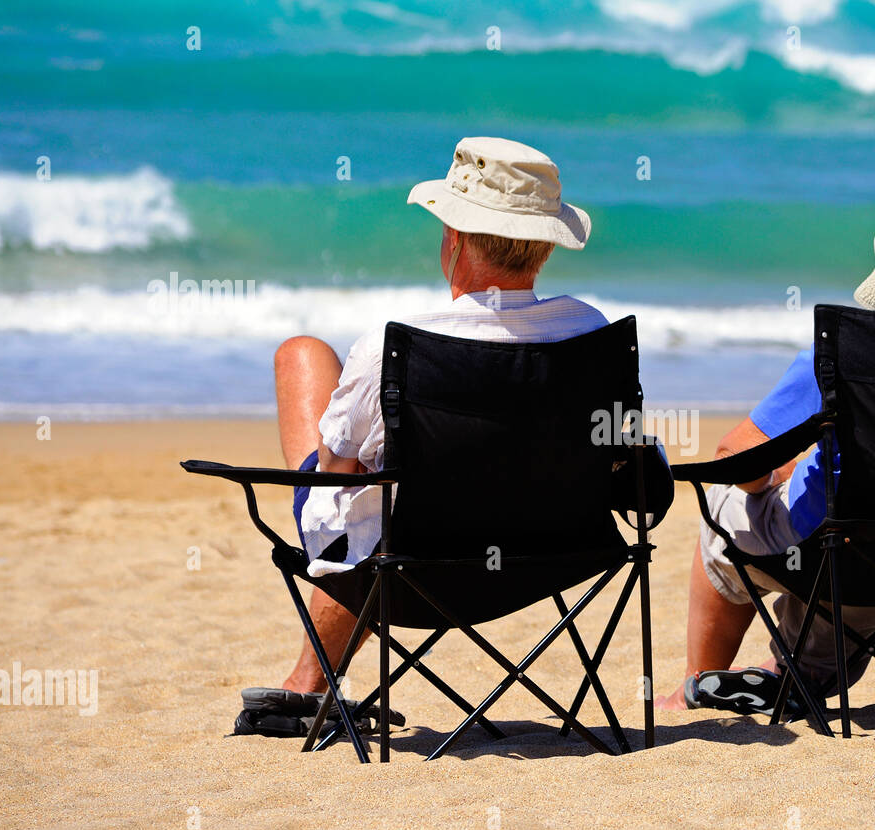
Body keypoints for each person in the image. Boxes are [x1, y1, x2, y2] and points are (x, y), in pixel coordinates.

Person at [235, 136, 603, 737]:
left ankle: (309, 685)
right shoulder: (591, 334)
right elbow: (626, 462)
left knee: (304, 361)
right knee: (379, 482)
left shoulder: (394, 343)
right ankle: (307, 684)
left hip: (410, 570)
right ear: (544, 248)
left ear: (453, 239)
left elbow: (335, 473)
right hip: (550, 562)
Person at [657, 176, 875, 714]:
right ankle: (792, 675)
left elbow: (737, 460)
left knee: (721, 518)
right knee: (820, 653)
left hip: (845, 554)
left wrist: (773, 478)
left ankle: (699, 683)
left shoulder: (841, 357)